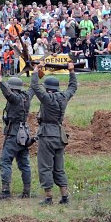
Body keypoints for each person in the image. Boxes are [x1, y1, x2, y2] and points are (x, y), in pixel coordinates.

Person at [31, 61, 77, 205]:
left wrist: (35, 70)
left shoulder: (47, 98)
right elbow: (73, 87)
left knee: (45, 166)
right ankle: (65, 196)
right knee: (59, 167)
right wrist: (71, 71)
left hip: (46, 134)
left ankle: (48, 197)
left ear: (48, 89)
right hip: (59, 134)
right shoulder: (64, 97)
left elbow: (35, 87)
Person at [0, 64, 34, 199]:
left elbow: (5, 90)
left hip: (13, 134)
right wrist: (35, 72)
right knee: (24, 163)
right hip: (24, 133)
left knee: (5, 162)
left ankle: (5, 192)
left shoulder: (15, 99)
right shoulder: (27, 97)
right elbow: (33, 87)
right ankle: (26, 191)